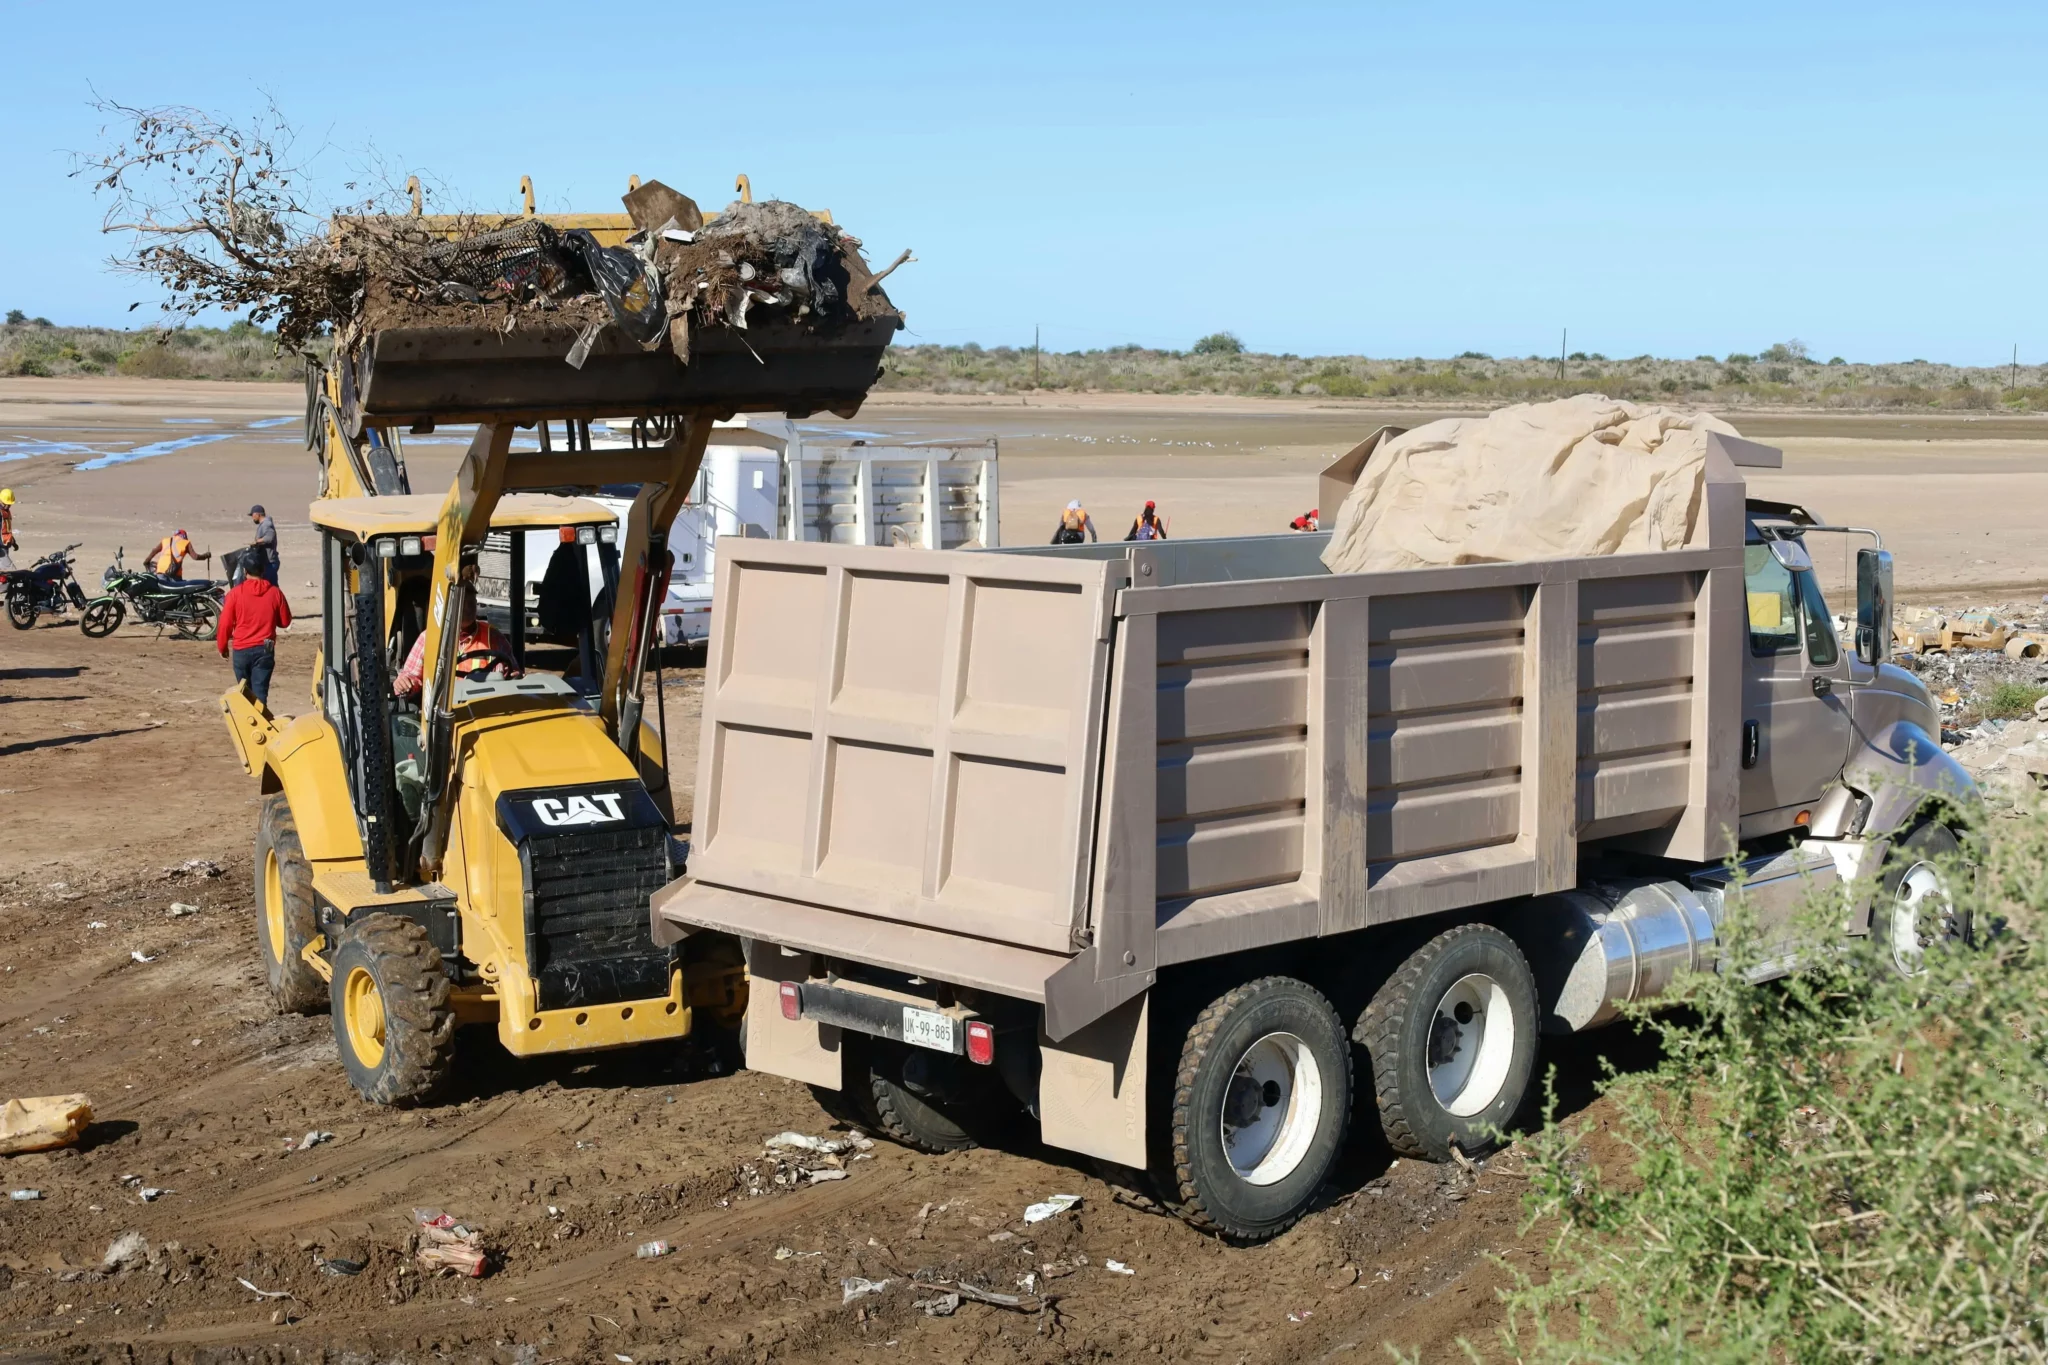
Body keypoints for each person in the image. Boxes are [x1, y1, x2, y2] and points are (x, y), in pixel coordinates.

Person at [392, 593, 522, 698]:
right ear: (448, 605)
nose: (468, 607)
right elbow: (411, 675)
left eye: (471, 602)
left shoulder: (493, 636)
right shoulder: (430, 637)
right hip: (442, 714)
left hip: (486, 709)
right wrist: (403, 683)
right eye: (462, 602)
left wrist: (514, 677)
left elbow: (514, 673)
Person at [216, 568, 292, 708]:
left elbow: (225, 624)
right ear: (262, 571)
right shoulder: (275, 592)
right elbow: (285, 622)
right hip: (265, 648)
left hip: (241, 649)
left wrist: (222, 647)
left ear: (245, 572)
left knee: (245, 693)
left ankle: (248, 725)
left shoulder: (234, 594)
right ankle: (261, 725)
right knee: (260, 692)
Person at [147, 528, 211, 579]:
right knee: (178, 592)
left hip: (160, 571)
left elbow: (154, 551)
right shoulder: (186, 543)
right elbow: (195, 557)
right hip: (174, 573)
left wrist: (146, 562)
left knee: (163, 592)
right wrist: (206, 555)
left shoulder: (165, 540)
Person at [246, 505, 279, 584]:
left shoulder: (266, 524)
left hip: (270, 563)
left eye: (253, 516)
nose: (252, 518)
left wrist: (257, 542)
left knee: (270, 586)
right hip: (267, 562)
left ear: (258, 515)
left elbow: (270, 537)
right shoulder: (264, 524)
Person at [0, 488, 15, 571]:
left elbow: (7, 529)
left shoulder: (6, 511)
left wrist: (13, 541)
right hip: (0, 547)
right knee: (11, 572)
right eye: (7, 504)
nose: (9, 506)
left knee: (3, 573)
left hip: (5, 545)